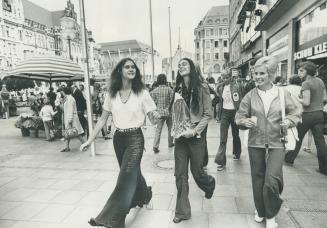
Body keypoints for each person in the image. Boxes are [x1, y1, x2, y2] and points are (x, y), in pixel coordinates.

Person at [80, 58, 160, 228]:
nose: (131, 69)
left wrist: (154, 116)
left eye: (133, 67)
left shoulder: (142, 93)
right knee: (132, 174)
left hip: (135, 139)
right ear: (120, 71)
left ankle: (114, 220)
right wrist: (90, 139)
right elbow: (102, 119)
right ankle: (146, 195)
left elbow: (153, 117)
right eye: (127, 67)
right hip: (119, 140)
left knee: (124, 178)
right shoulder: (112, 94)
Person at [235, 56, 302, 228]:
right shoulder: (250, 95)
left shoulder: (282, 93)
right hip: (255, 142)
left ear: (271, 74)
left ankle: (271, 213)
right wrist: (244, 122)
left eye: (262, 73)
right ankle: (261, 210)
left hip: (277, 142)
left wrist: (289, 121)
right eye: (256, 73)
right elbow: (239, 117)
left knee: (272, 180)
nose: (258, 77)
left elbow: (296, 112)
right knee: (257, 179)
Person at [170, 58, 215, 224]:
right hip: (181, 137)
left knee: (197, 173)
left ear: (192, 68)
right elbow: (176, 112)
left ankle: (209, 184)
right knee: (180, 174)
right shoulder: (178, 89)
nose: (181, 66)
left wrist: (195, 131)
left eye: (185, 64)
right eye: (179, 65)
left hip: (196, 135)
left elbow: (208, 114)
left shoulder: (202, 87)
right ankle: (182, 211)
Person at [285, 61, 327, 175]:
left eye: (302, 70)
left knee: (298, 137)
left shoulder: (306, 84)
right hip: (319, 114)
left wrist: (298, 99)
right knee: (320, 142)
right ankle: (324, 168)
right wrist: (317, 103)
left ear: (308, 72)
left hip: (308, 115)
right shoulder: (320, 81)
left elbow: (306, 102)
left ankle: (289, 158)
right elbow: (324, 98)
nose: (299, 73)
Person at [214, 69, 243, 171]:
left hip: (235, 113)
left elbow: (241, 100)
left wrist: (240, 114)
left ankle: (237, 152)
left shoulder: (237, 86)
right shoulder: (221, 87)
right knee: (223, 138)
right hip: (225, 114)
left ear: (230, 77)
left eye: (227, 77)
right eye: (223, 77)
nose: (225, 79)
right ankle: (221, 161)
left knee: (236, 135)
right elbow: (219, 98)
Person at [150, 73, 174, 153]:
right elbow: (172, 101)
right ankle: (170, 143)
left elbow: (152, 102)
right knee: (170, 128)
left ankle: (155, 146)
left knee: (158, 130)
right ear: (165, 80)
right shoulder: (169, 89)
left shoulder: (154, 91)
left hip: (159, 113)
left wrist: (157, 106)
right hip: (168, 113)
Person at [61, 87, 86, 152]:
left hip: (72, 119)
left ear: (64, 92)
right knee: (68, 133)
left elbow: (70, 110)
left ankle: (84, 144)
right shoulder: (68, 98)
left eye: (62, 92)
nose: (62, 93)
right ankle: (67, 147)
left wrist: (69, 120)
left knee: (76, 133)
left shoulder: (70, 99)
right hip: (70, 118)